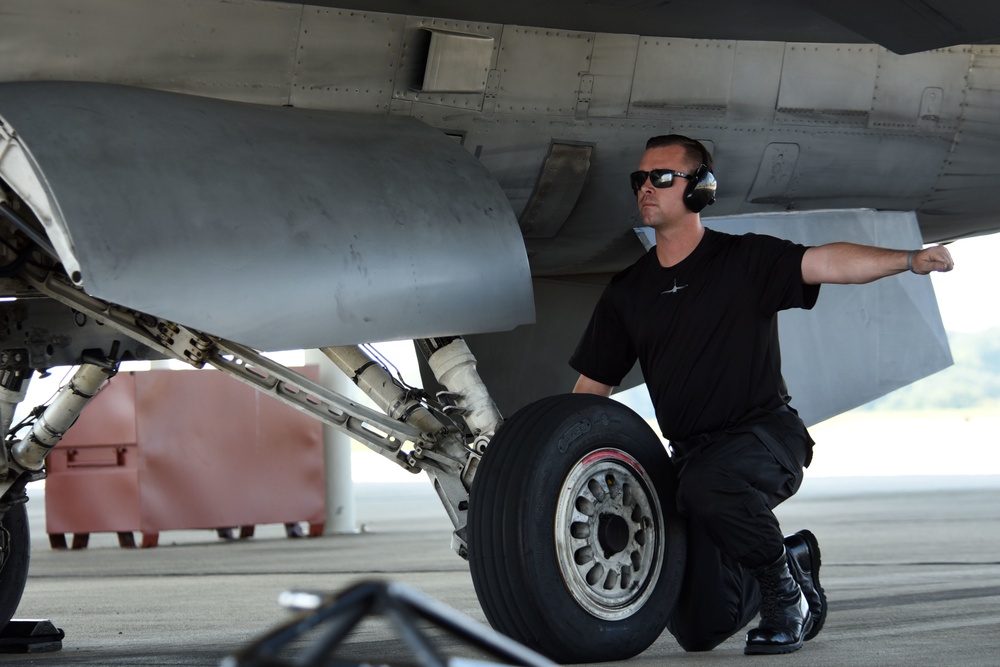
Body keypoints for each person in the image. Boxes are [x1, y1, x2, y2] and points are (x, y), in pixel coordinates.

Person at [569, 135, 955, 655]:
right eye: (640, 179)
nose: (646, 188)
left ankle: (783, 595)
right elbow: (591, 393)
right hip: (693, 461)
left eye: (662, 177)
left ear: (700, 190)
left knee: (708, 485)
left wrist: (909, 259)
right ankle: (790, 558)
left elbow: (830, 263)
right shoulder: (628, 292)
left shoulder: (744, 259)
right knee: (701, 629)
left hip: (764, 438)